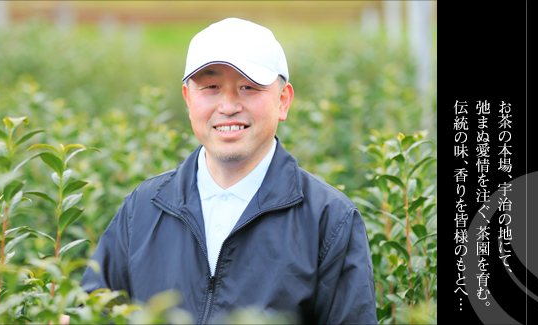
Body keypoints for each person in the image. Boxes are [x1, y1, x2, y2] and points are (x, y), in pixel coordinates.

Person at [80, 17, 377, 324]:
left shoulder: (329, 220)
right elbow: (92, 312)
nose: (228, 106)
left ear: (283, 100)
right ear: (188, 100)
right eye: (211, 87)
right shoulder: (141, 209)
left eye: (248, 87)